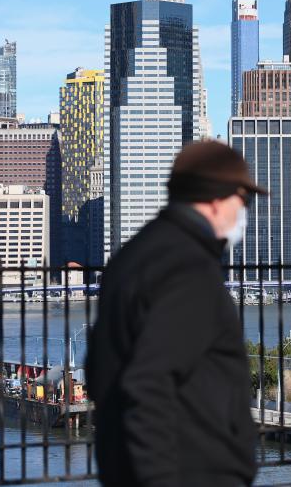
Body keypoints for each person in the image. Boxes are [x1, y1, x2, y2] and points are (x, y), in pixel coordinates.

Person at [86, 141, 265, 486]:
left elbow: (99, 366)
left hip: (123, 467)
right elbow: (148, 383)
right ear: (216, 199)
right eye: (243, 200)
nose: (244, 212)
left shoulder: (132, 257)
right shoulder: (189, 268)